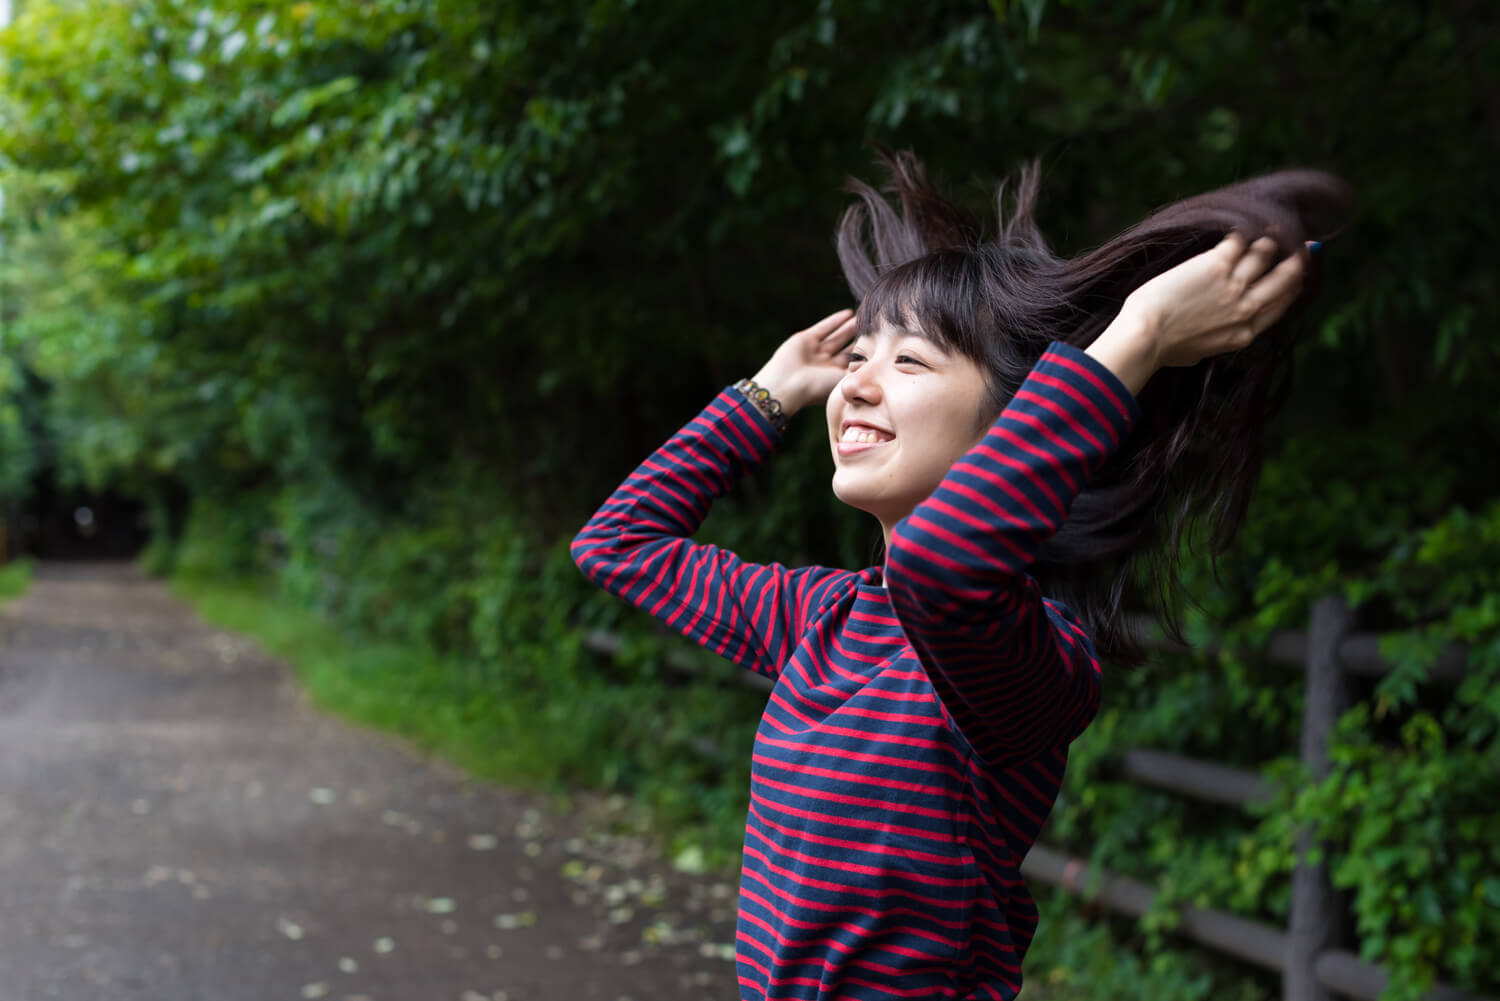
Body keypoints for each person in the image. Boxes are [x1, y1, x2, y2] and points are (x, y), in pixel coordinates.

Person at [572, 150, 1350, 1001]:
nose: (856, 386)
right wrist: (769, 391)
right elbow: (618, 543)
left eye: (910, 363)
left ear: (1012, 423)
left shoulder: (1028, 657)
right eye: (858, 358)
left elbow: (943, 569)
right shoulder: (819, 618)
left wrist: (1140, 337)